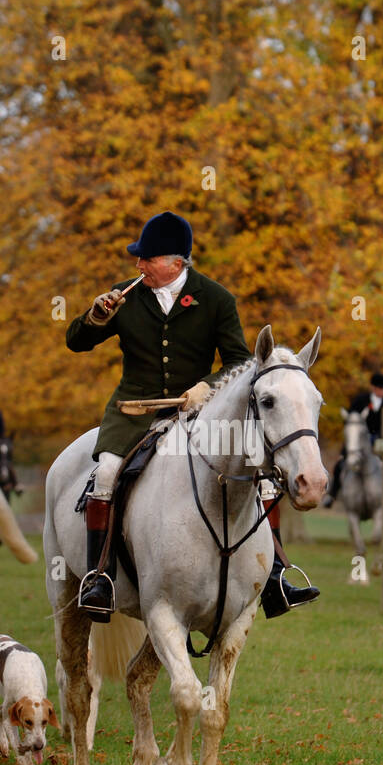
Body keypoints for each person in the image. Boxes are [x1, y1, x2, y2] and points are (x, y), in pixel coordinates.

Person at [65, 209, 319, 623]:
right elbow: (75, 342)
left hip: (202, 412)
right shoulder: (123, 296)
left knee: (261, 477)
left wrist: (206, 386)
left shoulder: (216, 298)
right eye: (139, 259)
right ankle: (100, 578)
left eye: (146, 259)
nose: (138, 265)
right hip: (134, 410)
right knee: (107, 474)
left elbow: (240, 362)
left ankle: (274, 577)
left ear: (175, 263)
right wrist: (94, 318)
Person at [323, 372, 383, 508]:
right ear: (373, 388)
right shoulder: (360, 400)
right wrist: (344, 449)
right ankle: (332, 495)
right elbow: (350, 424)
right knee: (340, 464)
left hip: (379, 441)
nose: (382, 391)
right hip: (357, 440)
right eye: (380, 388)